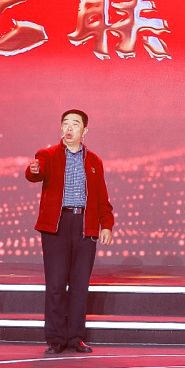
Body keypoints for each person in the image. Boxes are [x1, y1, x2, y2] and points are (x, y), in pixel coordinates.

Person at [26, 109, 114, 354]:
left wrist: (106, 225)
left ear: (85, 130)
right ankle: (55, 338)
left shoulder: (94, 161)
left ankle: (75, 337)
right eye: (65, 123)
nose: (69, 128)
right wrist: (33, 170)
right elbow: (36, 172)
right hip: (57, 226)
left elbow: (102, 197)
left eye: (75, 124)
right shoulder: (48, 155)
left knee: (79, 286)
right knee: (55, 284)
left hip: (85, 226)